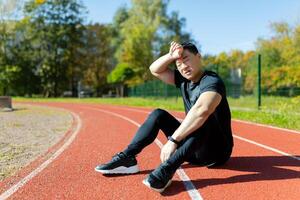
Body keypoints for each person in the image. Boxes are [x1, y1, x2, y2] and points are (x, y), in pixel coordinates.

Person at [95, 41, 234, 193]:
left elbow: (202, 109)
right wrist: (171, 56)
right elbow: (154, 69)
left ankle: (166, 171)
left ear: (198, 56)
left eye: (186, 59)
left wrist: (173, 140)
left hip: (216, 152)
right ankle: (127, 158)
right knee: (158, 114)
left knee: (200, 121)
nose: (183, 66)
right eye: (178, 63)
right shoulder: (183, 80)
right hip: (193, 150)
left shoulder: (212, 81)